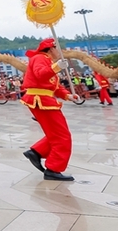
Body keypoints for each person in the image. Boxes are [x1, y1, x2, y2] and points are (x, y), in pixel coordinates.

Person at [20, 39, 77, 181]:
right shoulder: (40, 58)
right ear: (51, 49)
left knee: (56, 133)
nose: (59, 52)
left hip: (45, 99)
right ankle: (53, 168)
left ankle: (37, 151)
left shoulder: (46, 61)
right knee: (62, 136)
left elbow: (53, 86)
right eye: (57, 49)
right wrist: (56, 67)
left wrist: (67, 95)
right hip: (41, 100)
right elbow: (41, 74)